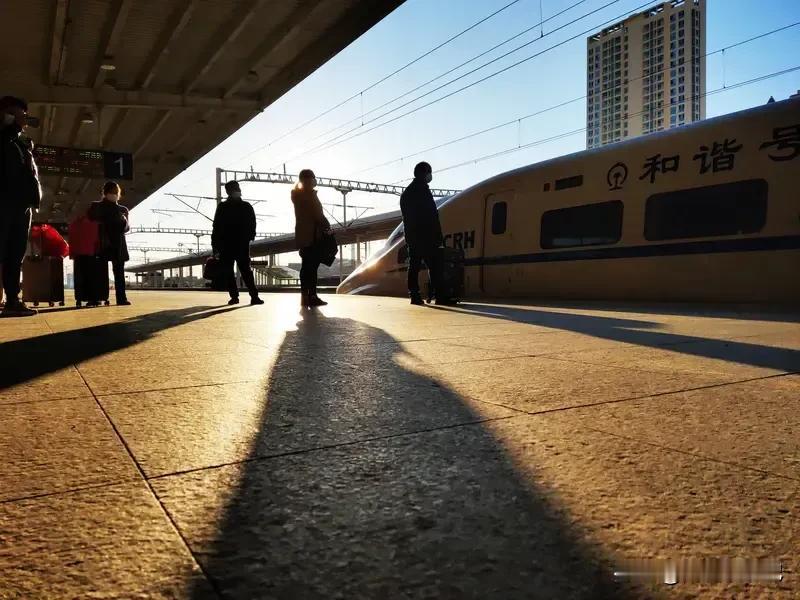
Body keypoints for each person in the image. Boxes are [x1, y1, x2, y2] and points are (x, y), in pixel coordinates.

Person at [0, 96, 41, 317]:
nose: (24, 119)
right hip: (4, 202)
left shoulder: (19, 142)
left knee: (15, 254)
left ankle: (12, 300)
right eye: (19, 114)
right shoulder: (5, 139)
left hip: (21, 205)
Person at [400, 161, 448, 305]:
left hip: (413, 236)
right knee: (434, 266)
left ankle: (414, 295)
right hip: (427, 236)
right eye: (429, 173)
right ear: (425, 173)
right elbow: (432, 216)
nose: (430, 176)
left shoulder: (407, 193)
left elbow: (408, 218)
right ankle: (439, 295)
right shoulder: (423, 191)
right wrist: (438, 235)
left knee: (414, 266)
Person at [211, 180, 263, 305]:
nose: (237, 190)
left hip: (231, 244)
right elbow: (252, 223)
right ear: (229, 191)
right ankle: (251, 296)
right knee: (243, 270)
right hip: (235, 244)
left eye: (237, 188)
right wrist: (250, 236)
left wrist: (215, 245)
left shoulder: (225, 207)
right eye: (235, 188)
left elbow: (216, 227)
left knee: (234, 271)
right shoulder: (245, 206)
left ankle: (238, 297)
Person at [88, 181, 131, 305]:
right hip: (103, 242)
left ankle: (121, 298)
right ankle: (96, 298)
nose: (114, 194)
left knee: (118, 273)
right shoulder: (96, 206)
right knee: (99, 272)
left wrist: (124, 220)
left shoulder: (123, 209)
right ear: (105, 193)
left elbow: (127, 228)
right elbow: (92, 220)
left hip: (118, 243)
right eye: (112, 192)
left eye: (116, 192)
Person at [291, 169, 328, 308]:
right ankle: (312, 296)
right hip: (312, 236)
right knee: (311, 267)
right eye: (313, 178)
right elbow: (318, 215)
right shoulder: (308, 195)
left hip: (303, 235)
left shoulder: (297, 195)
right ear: (309, 180)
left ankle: (305, 297)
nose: (315, 180)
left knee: (306, 267)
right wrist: (327, 226)